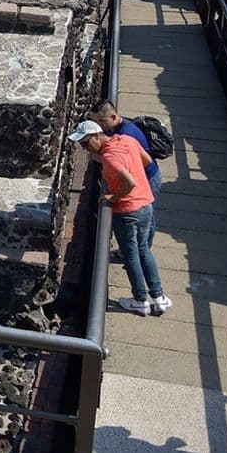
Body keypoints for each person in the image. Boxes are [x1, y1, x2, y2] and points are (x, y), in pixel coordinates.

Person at [68, 120, 170, 316]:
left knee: (131, 255)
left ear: (97, 135)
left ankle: (140, 299)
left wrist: (112, 196)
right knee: (144, 251)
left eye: (86, 143)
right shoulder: (127, 141)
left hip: (127, 211)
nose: (85, 148)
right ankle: (158, 297)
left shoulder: (109, 158)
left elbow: (128, 182)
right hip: (145, 203)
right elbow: (146, 161)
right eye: (82, 144)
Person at [92, 100, 162, 246]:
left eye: (101, 121)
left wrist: (101, 158)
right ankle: (142, 248)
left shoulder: (126, 134)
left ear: (113, 117)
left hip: (148, 177)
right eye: (96, 122)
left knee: (148, 216)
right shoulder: (118, 128)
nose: (99, 127)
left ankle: (144, 247)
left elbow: (132, 162)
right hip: (144, 174)